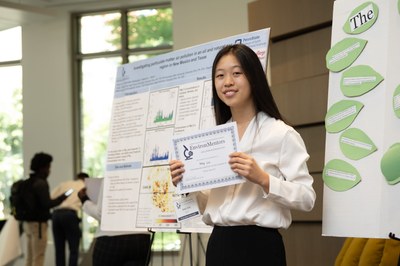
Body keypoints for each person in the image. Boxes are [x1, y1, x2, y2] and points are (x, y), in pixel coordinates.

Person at [169, 44, 316, 266]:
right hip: (219, 244)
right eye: (220, 76)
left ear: (254, 78)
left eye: (236, 73)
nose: (227, 82)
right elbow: (211, 204)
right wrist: (187, 185)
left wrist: (263, 179)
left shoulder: (280, 133)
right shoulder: (214, 140)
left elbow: (307, 198)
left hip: (259, 247)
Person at [77, 180, 151, 266]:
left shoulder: (111, 176)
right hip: (140, 239)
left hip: (111, 239)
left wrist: (84, 200)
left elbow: (100, 214)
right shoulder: (147, 175)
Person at [23, 152, 69, 266]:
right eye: (48, 167)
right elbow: (46, 204)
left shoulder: (28, 182)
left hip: (27, 224)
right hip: (38, 225)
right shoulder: (41, 183)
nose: (49, 170)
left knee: (29, 258)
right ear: (43, 168)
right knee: (38, 257)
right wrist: (61, 198)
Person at [51, 172, 89, 266]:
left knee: (59, 250)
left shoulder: (65, 183)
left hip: (56, 215)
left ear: (77, 177)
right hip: (69, 215)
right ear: (86, 179)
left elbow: (51, 197)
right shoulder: (85, 187)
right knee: (73, 249)